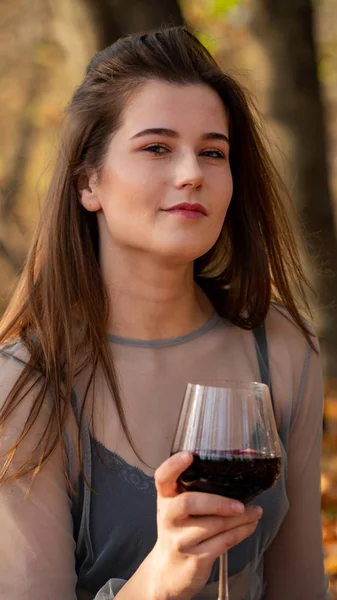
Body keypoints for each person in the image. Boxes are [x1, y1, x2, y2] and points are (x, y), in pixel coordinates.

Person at [0, 26, 329, 600]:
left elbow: (301, 585)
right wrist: (159, 580)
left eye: (212, 152)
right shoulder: (23, 384)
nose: (191, 173)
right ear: (88, 182)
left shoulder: (280, 348)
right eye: (157, 147)